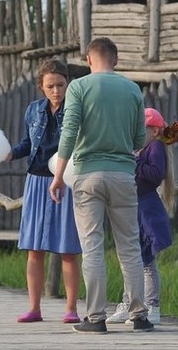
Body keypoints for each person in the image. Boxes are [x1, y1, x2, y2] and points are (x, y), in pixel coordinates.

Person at [50, 36, 152, 333]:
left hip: (88, 175)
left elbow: (68, 133)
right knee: (130, 246)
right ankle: (139, 315)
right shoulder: (132, 89)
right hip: (123, 175)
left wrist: (58, 176)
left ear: (88, 59)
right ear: (116, 60)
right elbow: (139, 140)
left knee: (92, 246)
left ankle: (96, 317)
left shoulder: (79, 87)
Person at [7, 59, 82, 324]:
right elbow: (28, 143)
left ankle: (71, 309)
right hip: (37, 181)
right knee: (34, 248)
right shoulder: (33, 110)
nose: (56, 91)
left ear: (68, 83)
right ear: (41, 86)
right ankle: (34, 308)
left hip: (66, 181)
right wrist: (11, 153)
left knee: (68, 248)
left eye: (60, 85)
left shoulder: (76, 109)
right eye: (50, 86)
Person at [106, 107, 178, 325]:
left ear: (155, 131)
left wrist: (135, 162)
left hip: (146, 209)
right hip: (133, 208)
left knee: (146, 261)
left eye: (142, 129)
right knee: (131, 259)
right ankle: (129, 303)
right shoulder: (140, 148)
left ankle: (152, 306)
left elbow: (155, 175)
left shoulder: (155, 147)